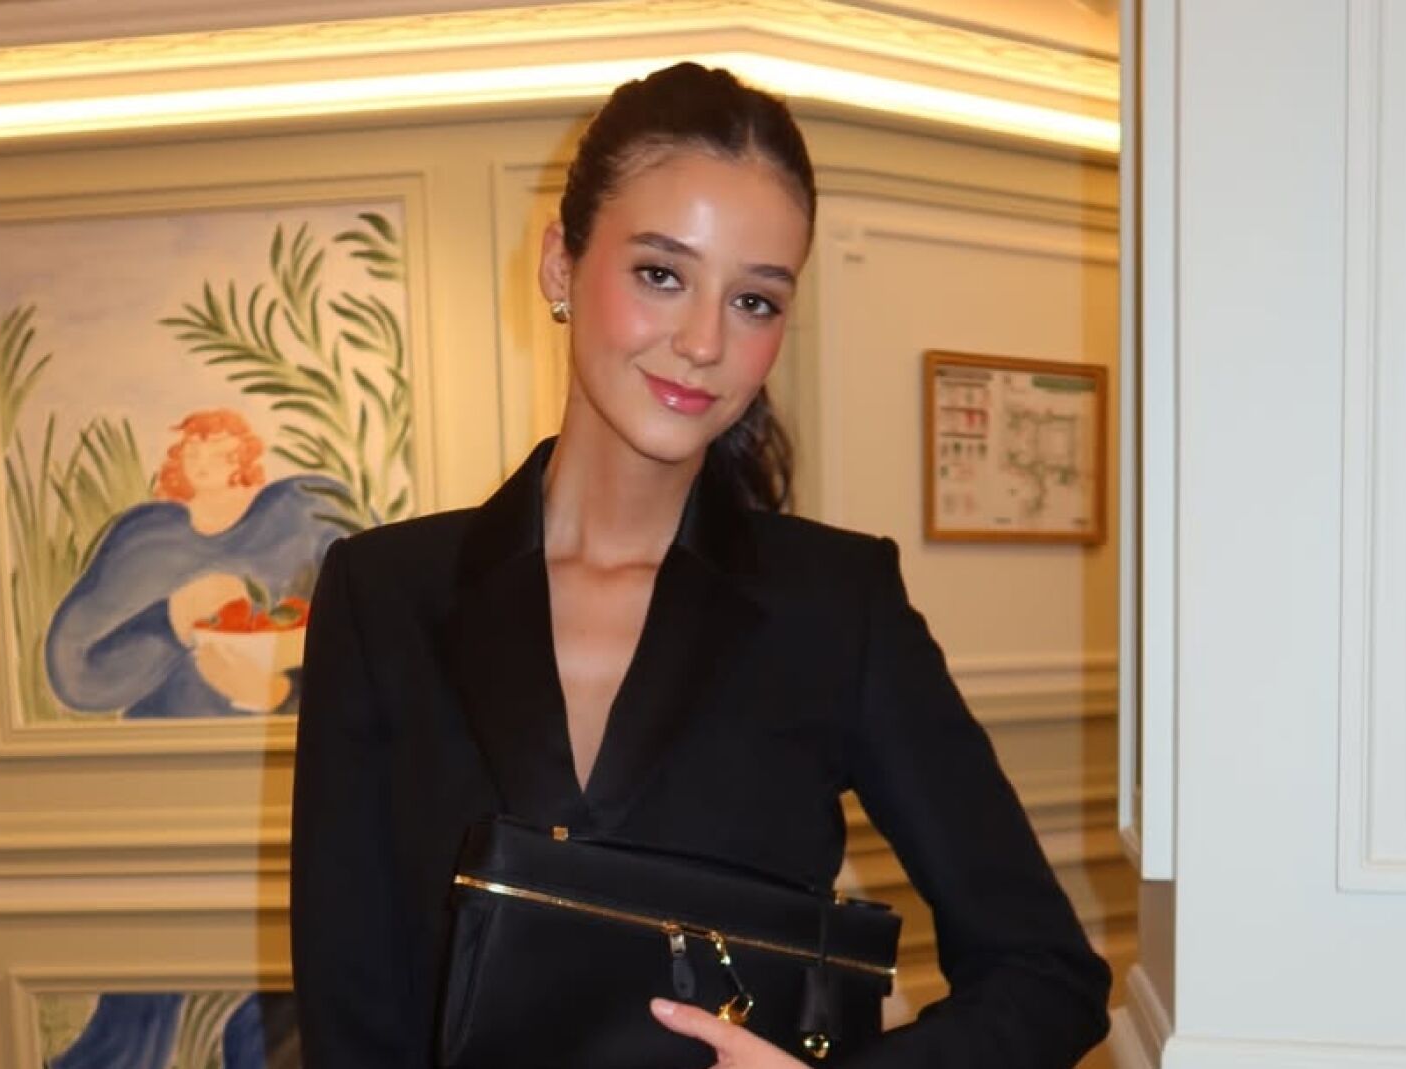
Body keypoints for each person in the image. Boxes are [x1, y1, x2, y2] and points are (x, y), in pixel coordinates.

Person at [290, 62, 1112, 1066]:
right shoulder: (384, 595)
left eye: (755, 300)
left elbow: (1048, 974)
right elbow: (351, 1010)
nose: (704, 342)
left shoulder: (835, 608)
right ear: (559, 265)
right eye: (661, 274)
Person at [46, 409, 341, 718]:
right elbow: (75, 674)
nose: (202, 463)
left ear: (244, 457)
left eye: (218, 454)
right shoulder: (144, 537)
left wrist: (281, 692)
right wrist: (172, 618)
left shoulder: (304, 512)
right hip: (164, 736)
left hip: (288, 739)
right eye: (193, 452)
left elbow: (366, 649)